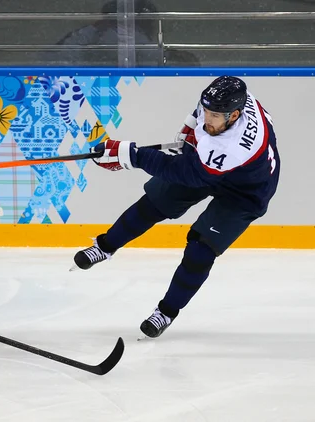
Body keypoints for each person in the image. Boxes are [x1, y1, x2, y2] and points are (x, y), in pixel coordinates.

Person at [72, 76, 280, 338]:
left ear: (235, 115)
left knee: (200, 249)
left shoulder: (234, 147)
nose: (208, 118)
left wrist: (129, 155)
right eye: (207, 111)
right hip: (214, 166)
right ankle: (104, 247)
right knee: (156, 202)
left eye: (214, 115)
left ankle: (166, 312)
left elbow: (186, 173)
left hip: (246, 192)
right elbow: (198, 115)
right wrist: (188, 130)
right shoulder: (223, 100)